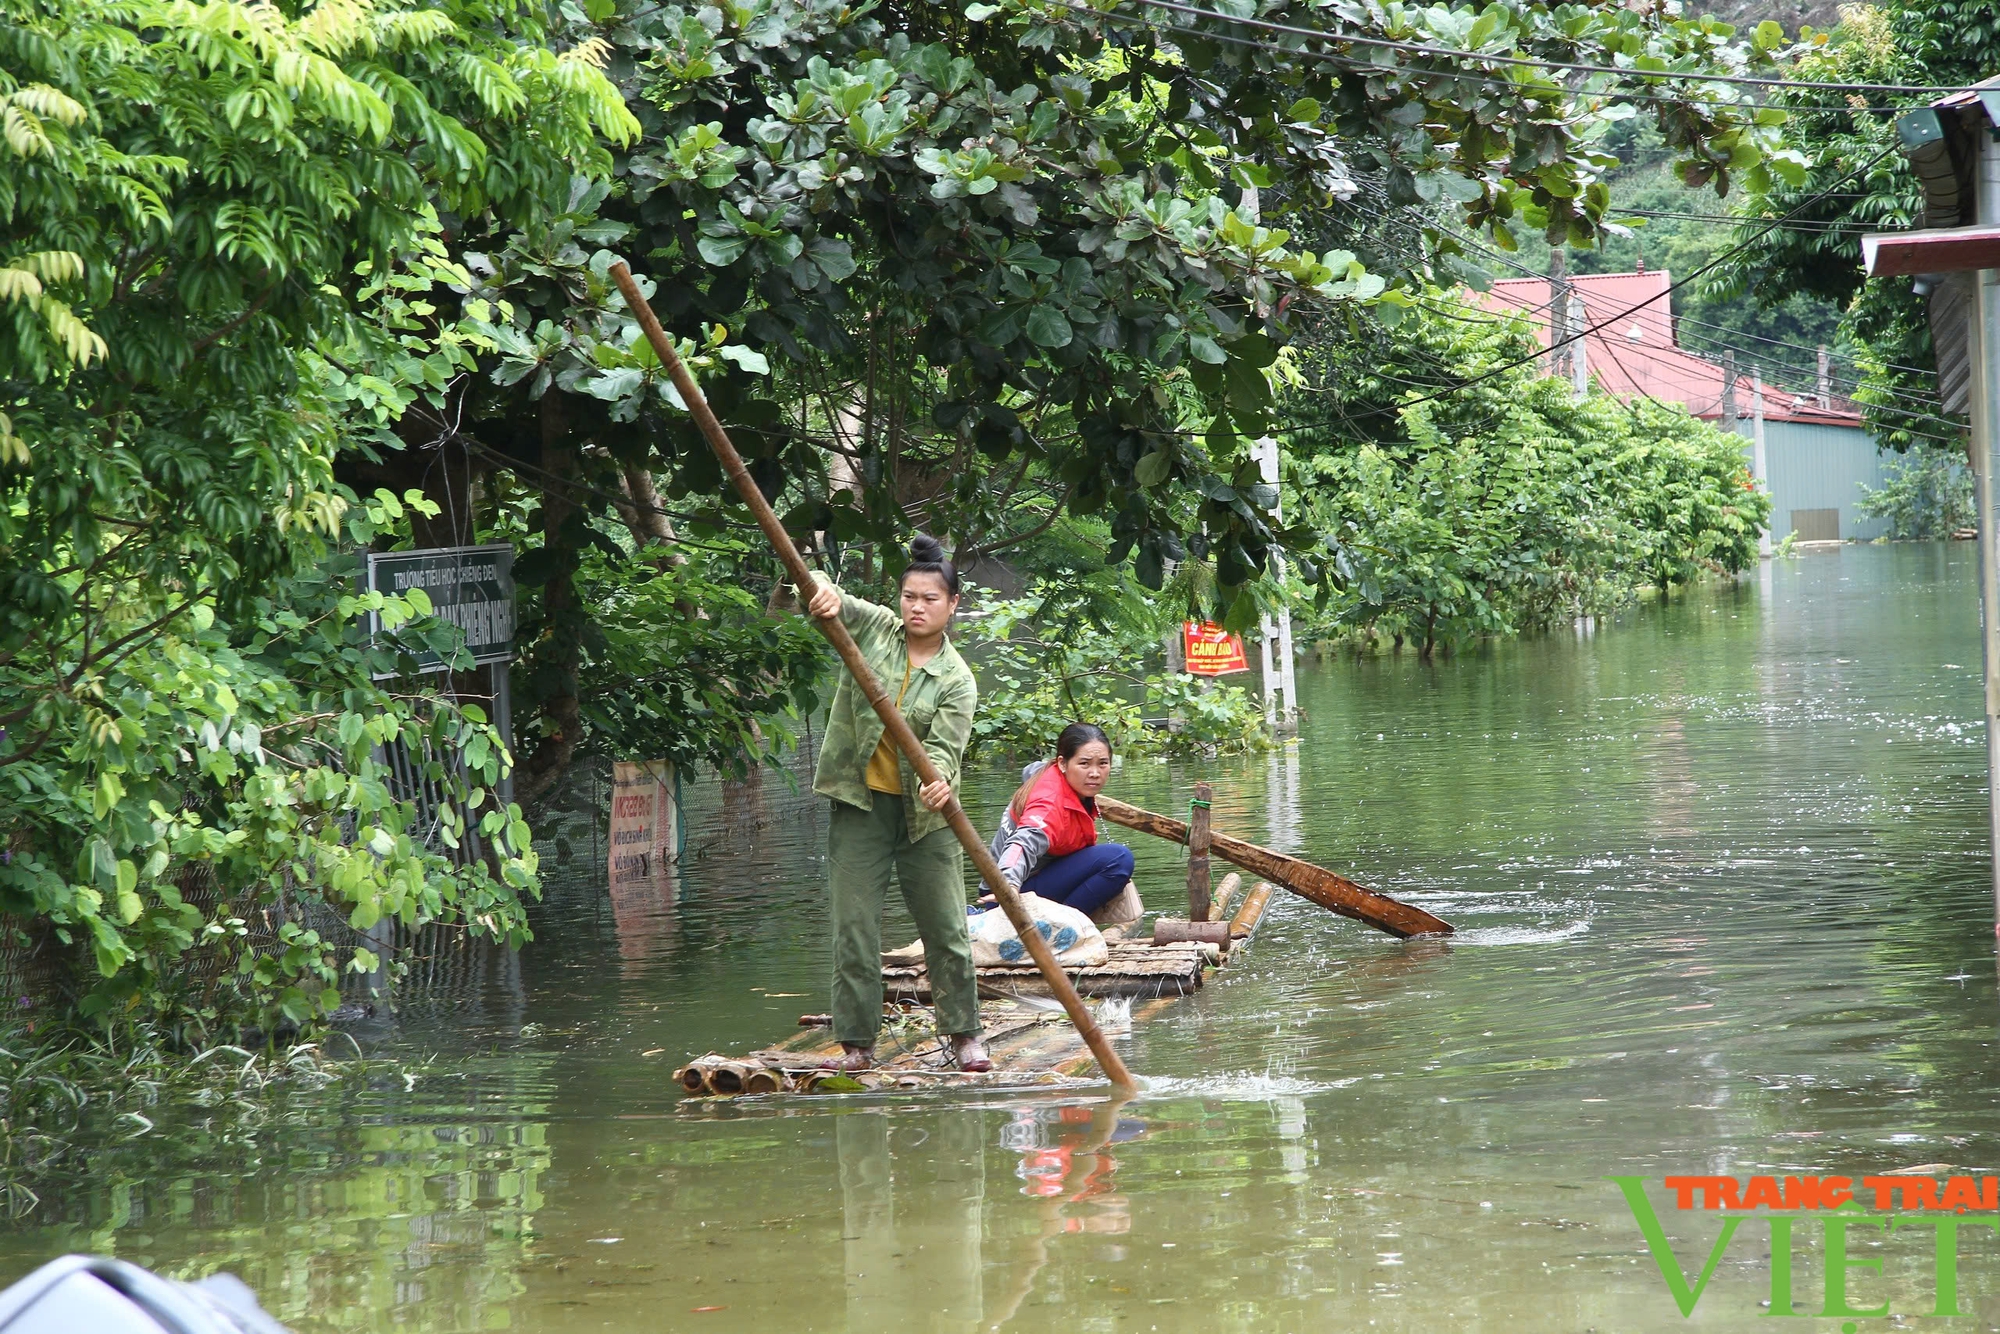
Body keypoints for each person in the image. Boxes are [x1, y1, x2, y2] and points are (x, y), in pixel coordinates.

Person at [803, 535, 988, 1073]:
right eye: (909, 596)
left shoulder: (958, 679)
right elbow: (826, 596)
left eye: (930, 599)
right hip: (861, 807)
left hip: (925, 818)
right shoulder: (877, 629)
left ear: (952, 606)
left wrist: (941, 784)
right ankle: (858, 1043)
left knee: (947, 930)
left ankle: (964, 1035)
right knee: (854, 929)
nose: (917, 607)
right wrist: (823, 596)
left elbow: (946, 752)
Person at [985, 723, 1138, 920]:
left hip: (1028, 882)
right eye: (1084, 764)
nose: (1095, 773)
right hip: (1006, 896)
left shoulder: (1053, 777)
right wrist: (1008, 885)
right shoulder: (1048, 803)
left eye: (1103, 763)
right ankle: (1062, 927)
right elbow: (1022, 843)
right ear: (1062, 764)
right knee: (1118, 859)